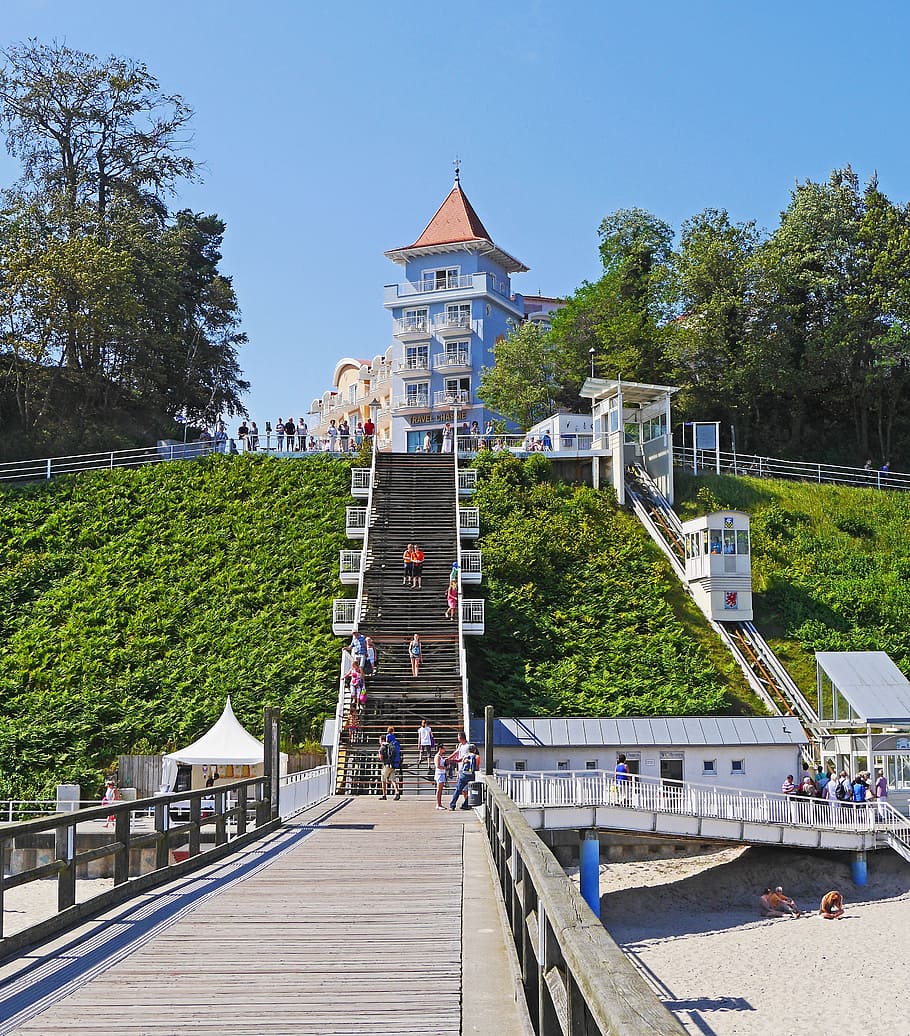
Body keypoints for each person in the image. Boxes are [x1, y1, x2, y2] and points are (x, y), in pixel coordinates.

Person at [449, 742, 480, 810]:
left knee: (458, 790)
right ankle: (465, 805)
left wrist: (450, 760)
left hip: (463, 775)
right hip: (471, 776)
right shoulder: (477, 757)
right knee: (471, 791)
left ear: (468, 750)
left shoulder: (465, 756)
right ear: (475, 750)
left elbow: (459, 761)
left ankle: (452, 805)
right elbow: (477, 767)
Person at [378, 735, 400, 801]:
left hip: (386, 765)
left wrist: (379, 756)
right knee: (393, 780)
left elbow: (381, 758)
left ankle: (384, 795)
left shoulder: (382, 747)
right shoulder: (390, 745)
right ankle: (397, 792)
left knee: (383, 780)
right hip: (392, 764)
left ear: (382, 740)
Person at [434, 742, 448, 809]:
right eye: (443, 748)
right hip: (439, 774)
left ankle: (439, 804)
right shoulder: (438, 756)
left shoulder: (440, 756)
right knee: (439, 790)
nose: (444, 750)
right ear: (440, 749)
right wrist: (444, 767)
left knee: (440, 789)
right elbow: (438, 766)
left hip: (441, 773)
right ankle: (438, 804)